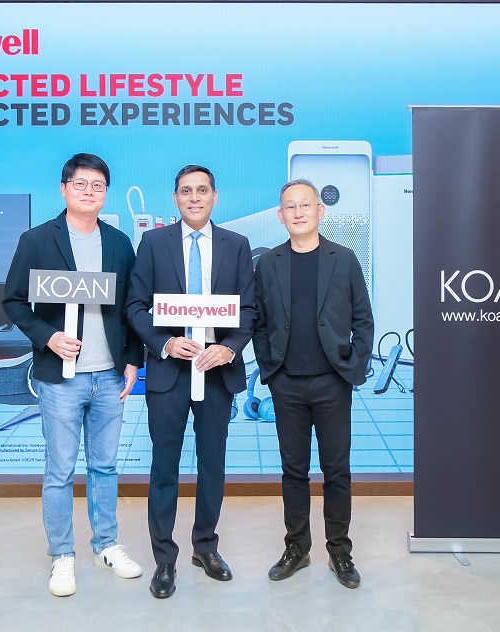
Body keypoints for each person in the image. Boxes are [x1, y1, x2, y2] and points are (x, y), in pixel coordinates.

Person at [2, 153, 145, 597]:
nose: (89, 192)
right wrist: (48, 337)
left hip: (109, 376)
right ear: (64, 189)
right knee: (60, 471)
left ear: (106, 193)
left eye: (98, 185)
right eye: (80, 184)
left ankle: (106, 545)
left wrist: (133, 360)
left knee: (105, 466)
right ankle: (62, 555)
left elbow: (132, 307)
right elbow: (13, 301)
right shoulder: (37, 239)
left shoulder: (119, 242)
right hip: (59, 379)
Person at [126, 164, 256, 599]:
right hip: (169, 373)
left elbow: (249, 310)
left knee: (212, 464)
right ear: (175, 198)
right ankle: (164, 558)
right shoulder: (153, 243)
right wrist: (164, 343)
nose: (194, 197)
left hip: (216, 373)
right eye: (186, 191)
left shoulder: (237, 245)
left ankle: (206, 547)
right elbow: (135, 306)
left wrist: (229, 348)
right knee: (164, 466)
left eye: (202, 190)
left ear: (215, 196)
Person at [251, 178, 374, 589]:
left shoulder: (345, 259)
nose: (298, 212)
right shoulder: (269, 263)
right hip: (286, 383)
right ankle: (297, 548)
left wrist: (352, 368)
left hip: (332, 383)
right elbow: (259, 323)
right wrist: (270, 370)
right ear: (280, 216)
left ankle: (340, 551)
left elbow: (363, 320)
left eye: (306, 204)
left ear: (320, 211)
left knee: (336, 470)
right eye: (290, 206)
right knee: (293, 471)